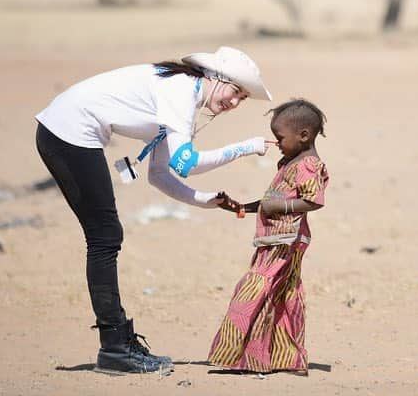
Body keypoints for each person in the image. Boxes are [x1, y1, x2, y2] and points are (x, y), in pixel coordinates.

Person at [34, 46, 272, 374]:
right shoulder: (180, 91)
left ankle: (116, 343)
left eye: (242, 98)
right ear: (215, 78)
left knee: (105, 235)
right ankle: (115, 347)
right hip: (67, 132)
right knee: (105, 236)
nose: (234, 103)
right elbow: (185, 164)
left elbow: (160, 175)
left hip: (65, 131)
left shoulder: (181, 97)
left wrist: (206, 200)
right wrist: (246, 147)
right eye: (235, 91)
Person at [208, 98, 330, 375]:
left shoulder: (308, 165)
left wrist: (282, 207)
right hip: (273, 241)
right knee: (282, 295)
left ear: (304, 135)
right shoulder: (289, 162)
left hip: (286, 242)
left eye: (279, 137)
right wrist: (243, 207)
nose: (276, 143)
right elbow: (271, 201)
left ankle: (239, 355)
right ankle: (283, 359)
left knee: (253, 290)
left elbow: (314, 200)